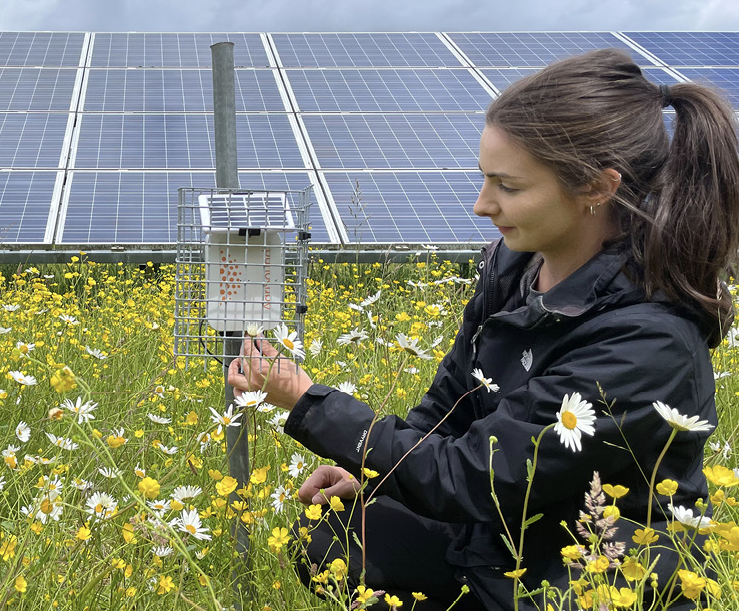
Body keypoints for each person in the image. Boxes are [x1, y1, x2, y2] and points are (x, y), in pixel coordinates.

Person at [227, 48, 738, 610]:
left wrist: (307, 401)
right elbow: (455, 401)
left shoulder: (647, 340)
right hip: (497, 540)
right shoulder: (517, 265)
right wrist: (374, 475)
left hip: (582, 574)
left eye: (508, 186)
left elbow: (478, 478)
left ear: (598, 187)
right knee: (334, 535)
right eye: (483, 178)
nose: (480, 204)